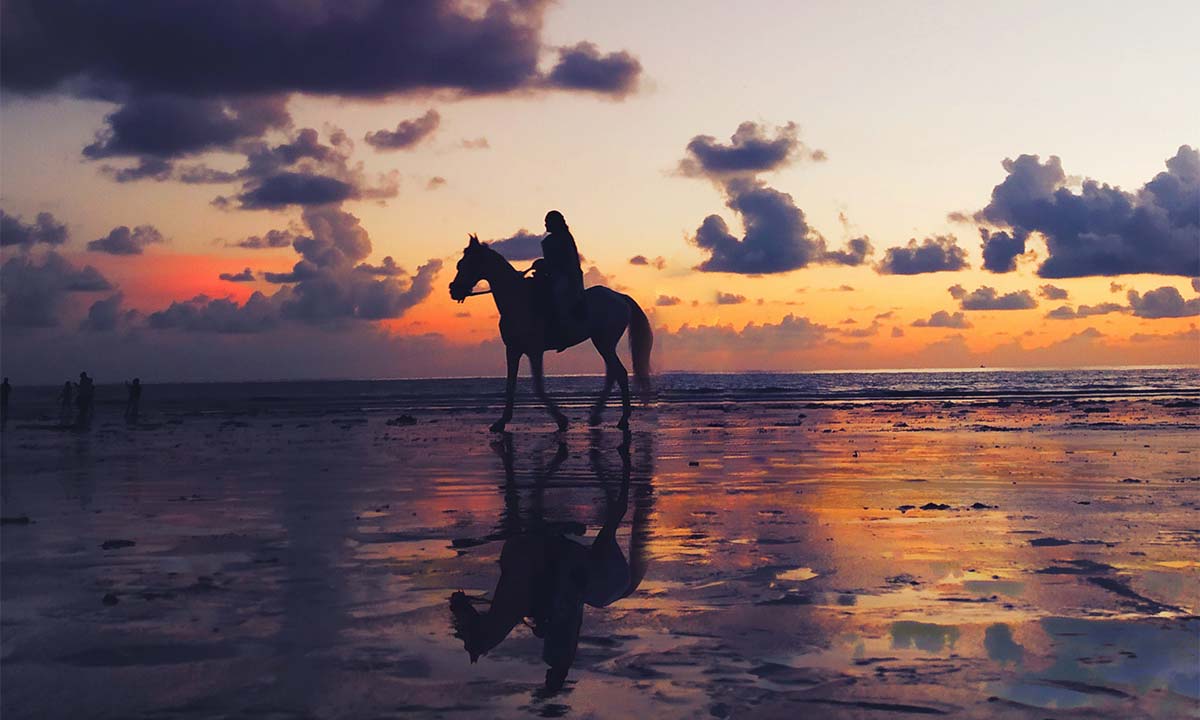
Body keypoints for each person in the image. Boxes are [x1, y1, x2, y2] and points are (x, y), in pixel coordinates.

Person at [531, 210, 585, 351]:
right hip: (552, 275)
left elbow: (568, 261)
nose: (545, 225)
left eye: (548, 222)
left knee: (557, 295)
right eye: (545, 222)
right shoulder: (548, 241)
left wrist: (548, 267)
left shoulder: (565, 238)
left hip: (568, 277)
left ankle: (563, 331)